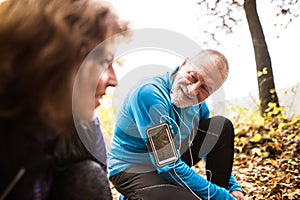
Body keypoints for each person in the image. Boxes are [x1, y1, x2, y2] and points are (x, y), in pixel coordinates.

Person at [0, 0, 129, 199]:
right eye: (103, 62)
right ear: (48, 58)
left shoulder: (80, 122)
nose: (114, 81)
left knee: (88, 177)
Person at [108, 50, 246, 200]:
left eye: (205, 88)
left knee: (221, 127)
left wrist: (232, 189)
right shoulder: (149, 94)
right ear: (184, 64)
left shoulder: (198, 105)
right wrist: (221, 197)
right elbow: (168, 165)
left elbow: (209, 145)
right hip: (134, 169)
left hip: (170, 160)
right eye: (192, 77)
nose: (193, 90)